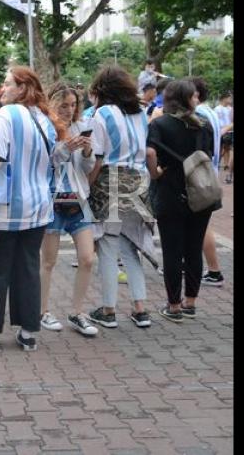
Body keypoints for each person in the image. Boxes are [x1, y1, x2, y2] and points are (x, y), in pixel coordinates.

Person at [0, 66, 67, 352]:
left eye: (7, 84)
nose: (3, 89)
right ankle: (28, 332)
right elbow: (53, 161)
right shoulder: (44, 118)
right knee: (27, 267)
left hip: (7, 205)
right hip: (39, 205)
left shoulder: (8, 115)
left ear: (22, 87)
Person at [86, 65, 155, 329]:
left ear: (101, 89)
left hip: (109, 183)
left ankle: (108, 309)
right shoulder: (140, 114)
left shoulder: (102, 113)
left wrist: (85, 188)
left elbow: (98, 158)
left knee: (107, 246)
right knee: (131, 247)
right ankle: (140, 309)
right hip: (139, 185)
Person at [146, 79, 218, 322]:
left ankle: (173, 306)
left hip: (170, 193)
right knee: (193, 248)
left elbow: (150, 152)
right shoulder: (204, 125)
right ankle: (191, 302)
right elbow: (210, 155)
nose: (197, 99)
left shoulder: (160, 124)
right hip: (201, 193)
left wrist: (155, 172)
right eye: (194, 96)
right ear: (188, 99)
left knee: (172, 251)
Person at [38, 83, 100, 337]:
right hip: (53, 201)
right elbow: (44, 163)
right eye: (63, 105)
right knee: (49, 261)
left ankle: (77, 312)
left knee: (87, 258)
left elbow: (86, 167)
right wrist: (66, 147)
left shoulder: (79, 126)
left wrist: (86, 151)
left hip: (78, 199)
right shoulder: (44, 128)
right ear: (52, 103)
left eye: (73, 105)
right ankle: (42, 312)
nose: (69, 110)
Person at [188, 77, 227, 288]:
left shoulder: (199, 115)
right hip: (210, 172)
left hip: (201, 176)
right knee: (203, 223)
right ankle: (212, 270)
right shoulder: (210, 111)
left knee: (202, 226)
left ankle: (214, 270)